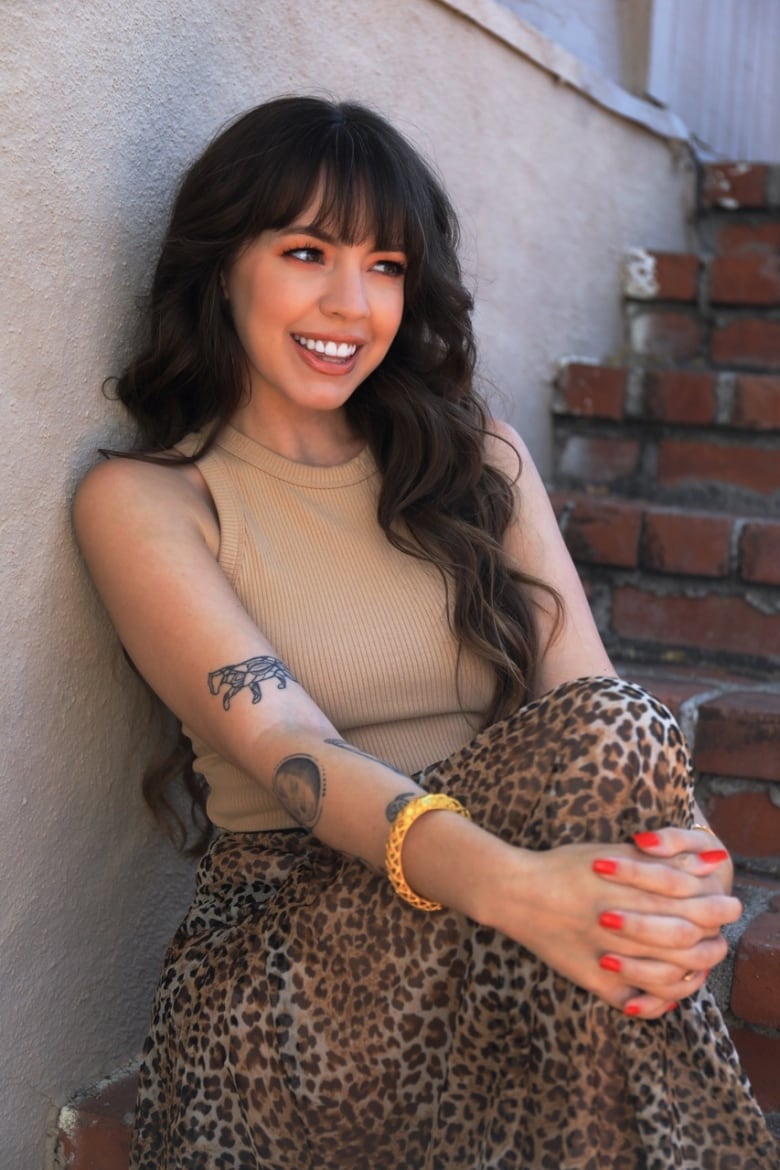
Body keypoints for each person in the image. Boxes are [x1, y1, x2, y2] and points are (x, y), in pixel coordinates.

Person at [73, 95, 778, 1170]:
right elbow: (290, 750)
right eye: (308, 252)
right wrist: (519, 887)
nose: (351, 304)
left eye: (387, 265)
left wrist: (682, 866)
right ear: (223, 267)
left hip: (506, 920)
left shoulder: (477, 458)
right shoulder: (153, 500)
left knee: (618, 739)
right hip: (294, 964)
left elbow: (588, 697)